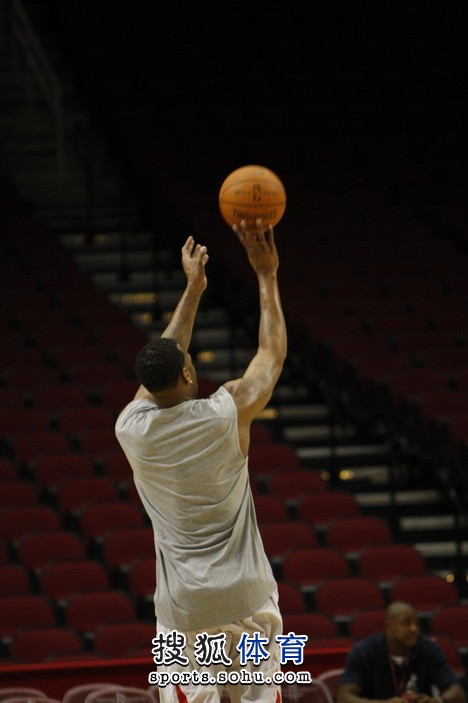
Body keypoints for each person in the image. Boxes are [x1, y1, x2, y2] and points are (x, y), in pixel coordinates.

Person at [115, 221, 287, 703]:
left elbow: (164, 363)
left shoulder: (132, 428)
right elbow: (271, 354)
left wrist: (192, 290)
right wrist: (266, 275)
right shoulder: (226, 411)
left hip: (185, 607)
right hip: (248, 593)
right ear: (189, 371)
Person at [337, 601, 466, 703]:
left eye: (417, 624)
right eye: (406, 623)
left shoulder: (429, 650)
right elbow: (344, 698)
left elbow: (457, 693)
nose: (414, 629)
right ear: (389, 627)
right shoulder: (363, 652)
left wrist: (438, 701)